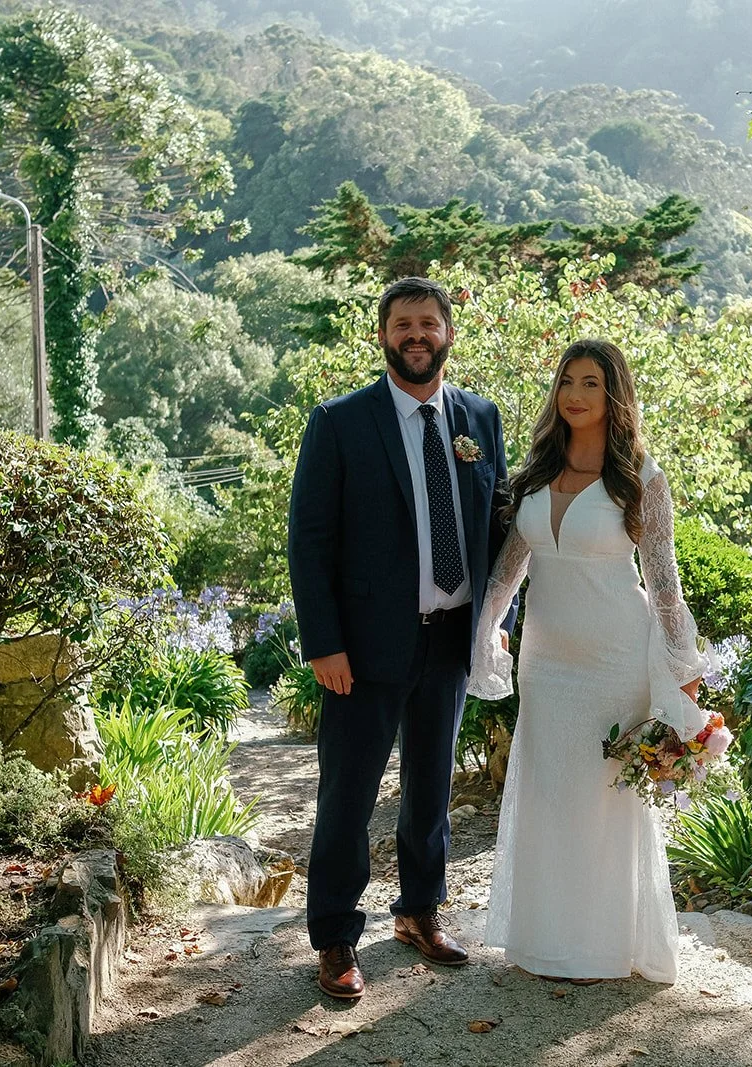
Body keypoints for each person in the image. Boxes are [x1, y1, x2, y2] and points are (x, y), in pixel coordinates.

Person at [288, 277, 515, 1000]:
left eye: (428, 323)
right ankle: (335, 936)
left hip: (451, 640)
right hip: (360, 650)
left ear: (448, 333)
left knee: (431, 789)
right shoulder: (340, 421)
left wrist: (498, 622)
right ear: (383, 336)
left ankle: (419, 910)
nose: (417, 335)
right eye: (403, 324)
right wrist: (323, 644)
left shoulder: (480, 417)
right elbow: (309, 541)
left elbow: (501, 529)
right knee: (348, 795)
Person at [468, 338, 708, 984]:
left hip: (613, 660)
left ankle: (602, 947)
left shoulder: (641, 478)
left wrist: (683, 669)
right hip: (546, 663)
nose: (574, 394)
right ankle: (545, 940)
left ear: (614, 394)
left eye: (591, 383)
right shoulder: (537, 471)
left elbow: (664, 584)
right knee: (549, 796)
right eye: (567, 381)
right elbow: (508, 570)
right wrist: (485, 633)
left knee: (603, 805)